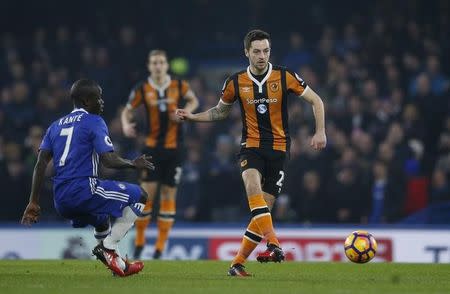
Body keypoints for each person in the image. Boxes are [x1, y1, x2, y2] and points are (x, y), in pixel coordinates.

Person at [176, 29, 327, 276]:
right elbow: (219, 112)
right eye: (256, 51)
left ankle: (236, 264)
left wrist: (320, 131)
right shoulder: (235, 82)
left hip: (279, 150)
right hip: (251, 147)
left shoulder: (284, 76)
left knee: (262, 212)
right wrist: (193, 116)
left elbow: (317, 101)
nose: (262, 56)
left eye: (266, 50)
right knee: (252, 186)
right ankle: (275, 244)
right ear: (246, 52)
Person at [21, 79, 154, 277]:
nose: (101, 102)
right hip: (84, 189)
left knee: (101, 221)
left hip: (61, 199)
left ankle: (119, 267)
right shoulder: (94, 121)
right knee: (141, 195)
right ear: (85, 101)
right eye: (97, 98)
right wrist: (133, 164)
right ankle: (109, 247)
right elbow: (108, 160)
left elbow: (40, 164)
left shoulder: (54, 126)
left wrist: (33, 201)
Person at [121, 49, 199, 259]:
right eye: (154, 62)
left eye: (161, 62)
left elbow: (193, 100)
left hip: (175, 150)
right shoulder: (142, 88)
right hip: (151, 149)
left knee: (168, 195)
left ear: (166, 65)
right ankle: (139, 242)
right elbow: (127, 110)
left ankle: (159, 247)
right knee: (146, 196)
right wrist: (126, 124)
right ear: (149, 66)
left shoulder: (179, 85)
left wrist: (186, 112)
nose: (158, 66)